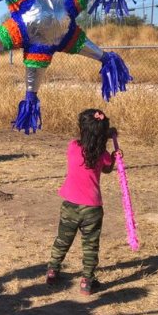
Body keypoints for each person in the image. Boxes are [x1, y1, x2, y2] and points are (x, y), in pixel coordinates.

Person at [45, 109, 121, 296]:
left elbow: (88, 140)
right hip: (93, 209)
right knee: (90, 246)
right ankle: (87, 281)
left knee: (62, 240)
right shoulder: (102, 154)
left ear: (82, 129)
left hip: (70, 205)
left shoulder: (72, 147)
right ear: (102, 133)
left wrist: (102, 134)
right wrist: (113, 156)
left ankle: (53, 271)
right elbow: (107, 169)